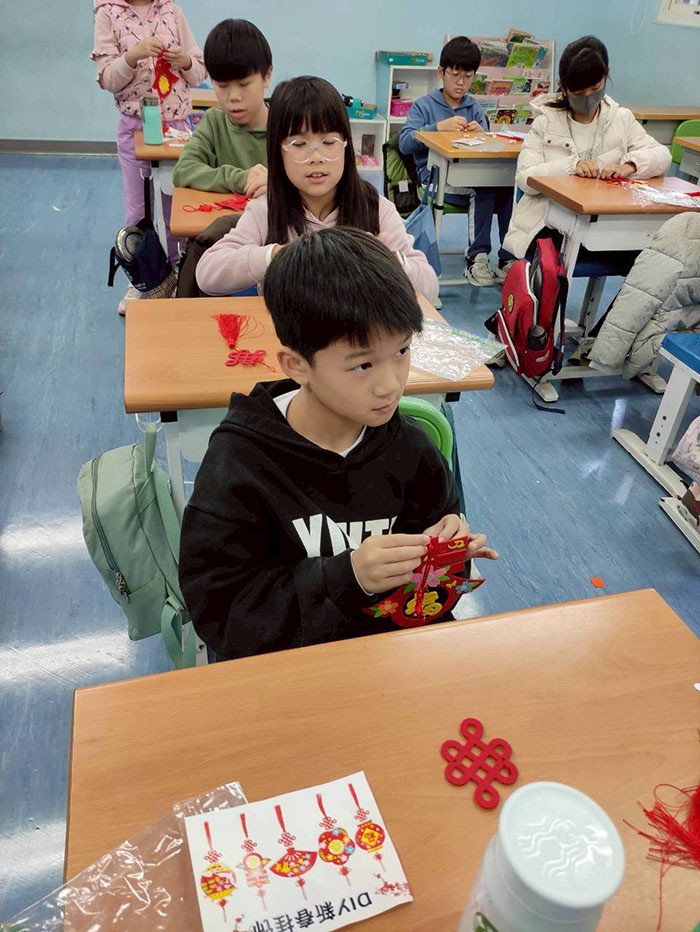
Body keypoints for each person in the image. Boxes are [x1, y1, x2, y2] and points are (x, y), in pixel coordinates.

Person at [179, 228, 497, 661]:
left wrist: (446, 558)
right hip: (287, 672)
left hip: (393, 662)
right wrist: (348, 577)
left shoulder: (413, 452)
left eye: (402, 351)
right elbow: (221, 614)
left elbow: (432, 603)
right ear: (296, 365)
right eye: (363, 365)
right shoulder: (240, 463)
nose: (391, 384)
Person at [195, 76, 439, 304]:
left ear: (345, 146)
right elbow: (207, 273)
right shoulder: (267, 209)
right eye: (299, 144)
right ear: (278, 151)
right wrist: (277, 256)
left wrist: (391, 261)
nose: (316, 157)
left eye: (329, 142)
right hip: (284, 331)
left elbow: (430, 287)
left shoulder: (375, 208)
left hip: (355, 331)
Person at [502, 35, 672, 261]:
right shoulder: (545, 122)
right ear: (563, 88)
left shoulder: (620, 119)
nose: (589, 100)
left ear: (606, 75)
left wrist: (630, 166)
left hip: (604, 222)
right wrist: (572, 166)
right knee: (553, 261)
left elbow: (662, 155)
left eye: (595, 88)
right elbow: (525, 178)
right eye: (578, 93)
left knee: (646, 257)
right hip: (549, 220)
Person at [91, 0, 206, 313]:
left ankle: (179, 276)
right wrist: (132, 56)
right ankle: (145, 279)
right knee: (138, 210)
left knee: (177, 211)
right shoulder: (107, 13)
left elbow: (198, 73)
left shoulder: (172, 11)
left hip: (177, 128)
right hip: (135, 126)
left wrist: (185, 60)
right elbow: (107, 79)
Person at [399, 36, 514, 287]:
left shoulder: (474, 108)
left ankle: (508, 258)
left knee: (506, 188)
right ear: (441, 72)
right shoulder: (423, 106)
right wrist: (437, 128)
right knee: (483, 189)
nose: (461, 82)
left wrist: (482, 135)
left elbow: (488, 149)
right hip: (435, 179)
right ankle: (477, 257)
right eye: (455, 75)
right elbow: (405, 143)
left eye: (468, 76)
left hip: (470, 174)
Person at [172, 19, 272, 196]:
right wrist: (241, 179)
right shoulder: (215, 122)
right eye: (222, 86)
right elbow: (183, 171)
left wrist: (276, 184)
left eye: (244, 84)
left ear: (267, 76)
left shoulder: (289, 125)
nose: (234, 97)